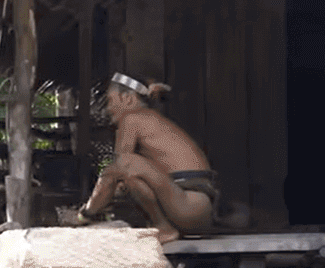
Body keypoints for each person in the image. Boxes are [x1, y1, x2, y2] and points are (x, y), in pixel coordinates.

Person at [62, 72, 217, 243]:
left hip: (187, 205)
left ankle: (162, 228)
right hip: (196, 209)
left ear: (127, 99)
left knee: (125, 164)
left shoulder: (131, 118)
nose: (108, 109)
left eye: (110, 101)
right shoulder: (151, 119)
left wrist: (86, 214)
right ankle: (164, 227)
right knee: (130, 177)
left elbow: (116, 169)